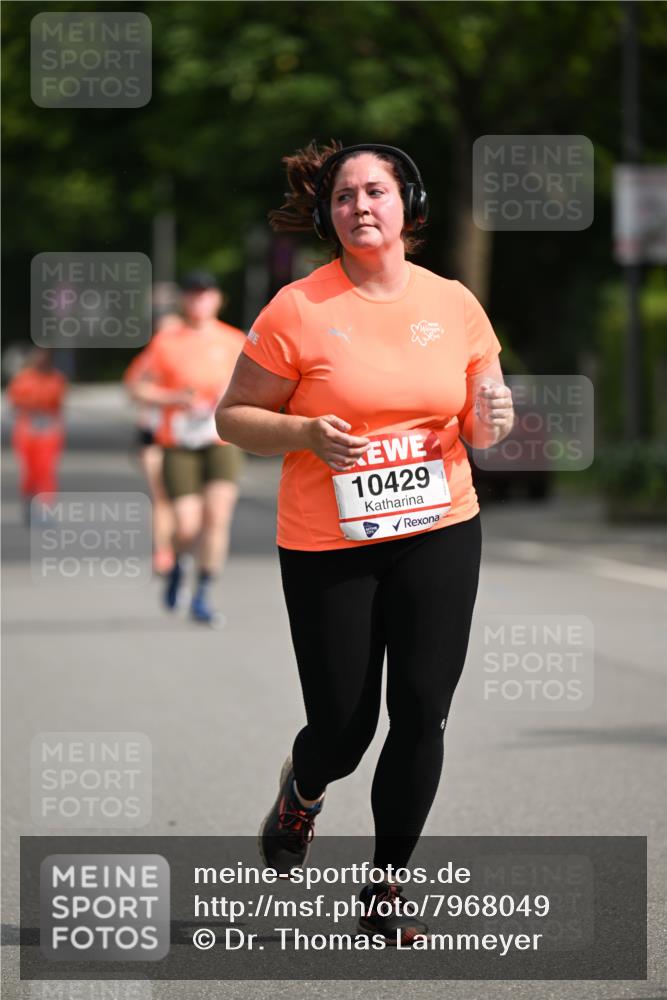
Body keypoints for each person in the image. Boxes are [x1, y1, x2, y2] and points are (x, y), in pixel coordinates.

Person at [215, 141, 514, 945]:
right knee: (344, 728)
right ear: (327, 215)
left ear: (406, 203)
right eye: (344, 197)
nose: (360, 207)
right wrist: (308, 432)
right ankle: (304, 790)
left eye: (375, 191)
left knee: (422, 711)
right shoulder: (297, 309)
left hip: (438, 524)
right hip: (326, 539)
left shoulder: (453, 303)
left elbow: (480, 417)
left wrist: (493, 417)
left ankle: (385, 891)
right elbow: (232, 417)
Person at [127, 271, 246, 625]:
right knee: (187, 525)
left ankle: (203, 595)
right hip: (178, 442)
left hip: (220, 439)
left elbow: (256, 385)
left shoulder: (234, 339)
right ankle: (179, 562)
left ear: (217, 299)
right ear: (185, 300)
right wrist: (173, 397)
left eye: (206, 294)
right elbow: (135, 387)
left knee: (218, 518)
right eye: (193, 295)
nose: (199, 301)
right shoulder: (167, 341)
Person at [123, 312, 181, 575]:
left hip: (193, 440)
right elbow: (132, 389)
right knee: (161, 496)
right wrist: (169, 397)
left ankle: (182, 544)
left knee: (190, 502)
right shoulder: (149, 359)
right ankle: (163, 552)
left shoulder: (195, 358)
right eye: (162, 332)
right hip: (155, 436)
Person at [7, 347, 68, 522]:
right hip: (27, 429)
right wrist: (31, 403)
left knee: (46, 470)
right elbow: (14, 401)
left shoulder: (57, 379)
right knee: (29, 470)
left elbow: (58, 402)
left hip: (49, 430)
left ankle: (46, 507)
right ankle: (28, 500)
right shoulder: (23, 378)